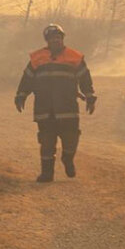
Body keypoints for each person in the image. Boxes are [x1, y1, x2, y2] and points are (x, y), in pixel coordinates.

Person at [15, 23, 96, 182]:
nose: (56, 41)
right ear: (47, 41)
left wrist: (90, 96)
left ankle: (67, 159)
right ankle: (47, 174)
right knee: (46, 143)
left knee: (71, 139)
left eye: (58, 38)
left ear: (62, 39)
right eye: (52, 39)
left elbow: (85, 78)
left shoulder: (74, 57)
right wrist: (21, 95)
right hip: (45, 109)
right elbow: (27, 79)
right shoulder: (37, 58)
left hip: (67, 109)